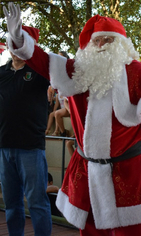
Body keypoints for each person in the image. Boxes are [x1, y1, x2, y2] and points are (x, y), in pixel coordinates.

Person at [4, 3, 141, 235]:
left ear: (120, 44)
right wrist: (18, 38)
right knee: (90, 229)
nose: (101, 45)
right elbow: (42, 60)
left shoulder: (137, 72)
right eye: (97, 40)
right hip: (86, 169)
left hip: (129, 167)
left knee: (131, 230)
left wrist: (135, 138)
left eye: (108, 40)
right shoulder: (76, 70)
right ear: (89, 45)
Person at [0, 25, 52, 235]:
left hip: (31, 148)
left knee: (37, 203)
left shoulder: (40, 71)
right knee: (11, 204)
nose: (15, 46)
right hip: (4, 147)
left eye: (21, 41)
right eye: (13, 41)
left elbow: (55, 67)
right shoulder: (1, 72)